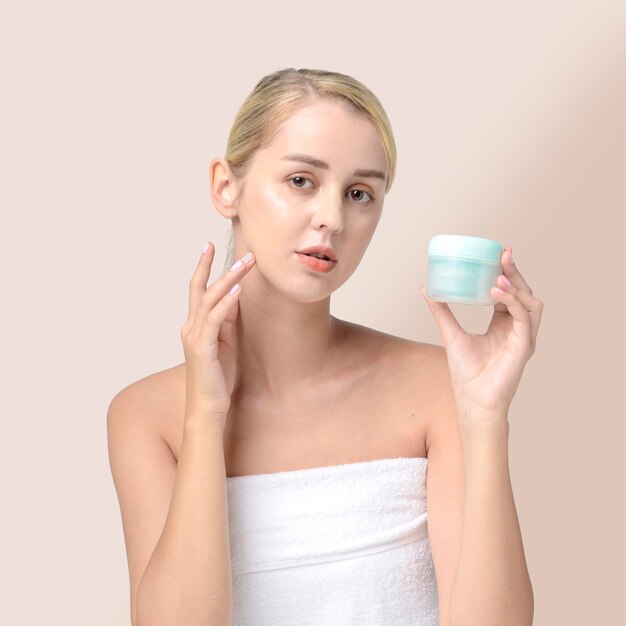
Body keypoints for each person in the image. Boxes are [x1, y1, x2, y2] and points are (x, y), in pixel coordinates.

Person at [107, 67, 539, 626]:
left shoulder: (438, 388)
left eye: (360, 194)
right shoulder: (146, 417)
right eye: (301, 181)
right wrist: (205, 416)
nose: (332, 219)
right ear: (226, 186)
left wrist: (485, 418)